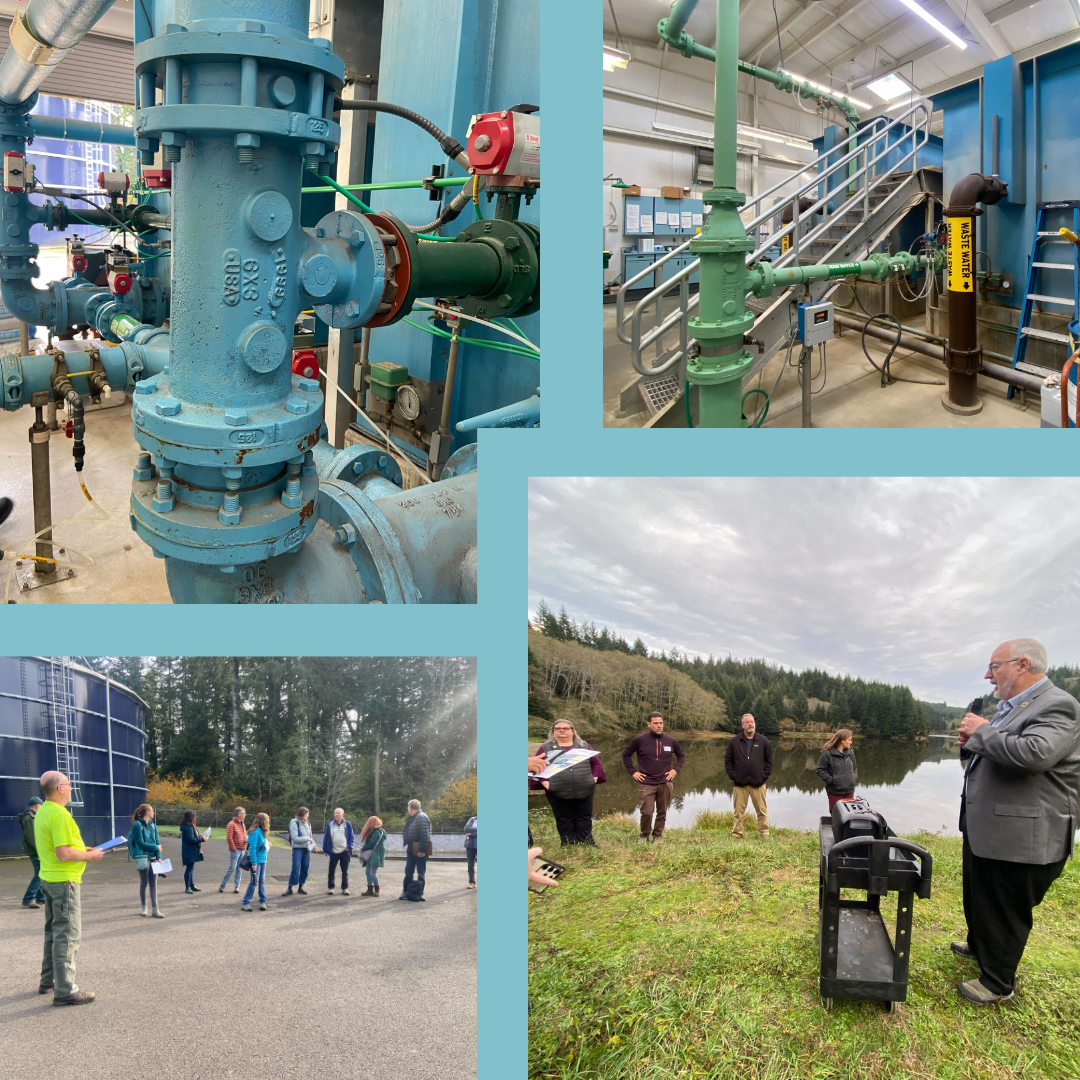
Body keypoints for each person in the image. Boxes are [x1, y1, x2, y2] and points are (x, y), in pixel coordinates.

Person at [953, 638, 1080, 1004]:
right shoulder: (1014, 707)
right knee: (983, 895)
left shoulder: (1059, 705)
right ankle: (980, 946)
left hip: (1024, 834)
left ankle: (997, 983)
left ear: (1022, 665)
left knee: (1006, 907)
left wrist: (982, 731)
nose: (987, 675)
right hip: (994, 828)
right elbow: (1000, 750)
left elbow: (1035, 754)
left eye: (994, 667)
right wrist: (973, 739)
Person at [34, 770, 104, 1005]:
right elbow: (63, 853)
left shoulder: (43, 811)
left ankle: (48, 980)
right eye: (69, 783)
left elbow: (62, 847)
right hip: (65, 882)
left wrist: (85, 850)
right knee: (67, 935)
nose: (72, 786)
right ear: (60, 788)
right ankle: (65, 991)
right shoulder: (60, 815)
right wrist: (91, 856)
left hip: (49, 878)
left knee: (52, 932)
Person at [531, 720, 607, 846]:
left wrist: (593, 779)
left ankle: (587, 842)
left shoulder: (584, 746)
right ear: (553, 731)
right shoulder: (546, 748)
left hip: (585, 788)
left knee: (584, 817)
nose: (562, 731)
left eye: (565, 728)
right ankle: (568, 844)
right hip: (557, 789)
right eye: (558, 728)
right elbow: (536, 766)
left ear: (572, 730)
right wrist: (545, 783)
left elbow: (596, 763)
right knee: (563, 818)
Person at [621, 712, 685, 842]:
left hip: (665, 782)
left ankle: (657, 836)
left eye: (661, 723)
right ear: (649, 724)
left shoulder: (670, 740)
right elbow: (626, 754)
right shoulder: (639, 740)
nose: (659, 726)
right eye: (655, 723)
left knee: (662, 811)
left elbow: (681, 755)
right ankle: (644, 835)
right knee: (647, 812)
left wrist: (675, 770)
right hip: (647, 783)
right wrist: (633, 772)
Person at [724, 713, 772, 839]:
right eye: (747, 722)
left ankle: (764, 833)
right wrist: (733, 776)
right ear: (742, 725)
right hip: (740, 783)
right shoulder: (735, 741)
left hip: (758, 783)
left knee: (762, 811)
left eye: (752, 721)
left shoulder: (763, 741)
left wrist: (764, 776)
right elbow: (728, 760)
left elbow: (769, 761)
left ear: (754, 723)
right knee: (738, 812)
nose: (750, 724)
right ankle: (737, 833)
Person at [128, 803, 164, 918]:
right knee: (144, 883)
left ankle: (155, 909)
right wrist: (155, 848)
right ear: (147, 812)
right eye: (152, 810)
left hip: (153, 858)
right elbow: (140, 843)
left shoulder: (153, 826)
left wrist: (159, 857)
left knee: (154, 884)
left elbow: (158, 842)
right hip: (143, 858)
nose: (154, 812)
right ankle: (144, 907)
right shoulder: (137, 825)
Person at [816, 729, 858, 811]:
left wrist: (853, 778)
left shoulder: (850, 753)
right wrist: (832, 780)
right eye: (849, 740)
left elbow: (854, 768)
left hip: (850, 791)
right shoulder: (827, 754)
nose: (851, 742)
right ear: (842, 740)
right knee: (836, 816)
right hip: (835, 792)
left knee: (849, 815)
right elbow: (820, 770)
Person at [400, 799, 432, 900]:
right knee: (408, 871)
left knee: (420, 872)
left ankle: (420, 893)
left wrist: (422, 850)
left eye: (408, 808)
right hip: (412, 846)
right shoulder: (413, 818)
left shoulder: (421, 817)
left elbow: (425, 835)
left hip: (420, 848)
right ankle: (405, 891)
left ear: (410, 808)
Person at [322, 807, 355, 896]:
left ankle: (345, 888)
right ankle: (331, 888)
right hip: (333, 851)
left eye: (338, 813)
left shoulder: (347, 824)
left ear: (342, 815)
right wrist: (325, 849)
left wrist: (349, 847)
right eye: (335, 813)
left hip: (344, 851)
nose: (336, 815)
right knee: (331, 870)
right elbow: (326, 837)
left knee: (345, 871)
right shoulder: (330, 824)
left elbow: (351, 837)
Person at [242, 812, 271, 912]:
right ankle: (246, 902)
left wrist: (268, 845)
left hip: (263, 860)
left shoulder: (263, 832)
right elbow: (253, 849)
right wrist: (254, 863)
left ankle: (263, 901)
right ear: (264, 821)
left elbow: (262, 845)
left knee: (261, 882)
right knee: (254, 882)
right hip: (256, 862)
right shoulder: (255, 832)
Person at [19, 795, 44, 909]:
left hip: (36, 850)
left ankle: (40, 898)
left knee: (41, 873)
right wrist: (40, 852)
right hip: (35, 851)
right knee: (39, 874)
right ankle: (28, 899)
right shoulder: (29, 818)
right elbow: (31, 838)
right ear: (38, 805)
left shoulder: (33, 816)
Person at [283, 807, 313, 897]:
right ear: (303, 814)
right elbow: (295, 838)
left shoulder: (308, 823)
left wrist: (313, 846)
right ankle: (290, 888)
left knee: (305, 867)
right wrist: (307, 839)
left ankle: (301, 887)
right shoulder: (294, 823)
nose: (308, 815)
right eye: (307, 813)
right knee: (295, 867)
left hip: (306, 849)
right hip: (297, 848)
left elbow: (310, 837)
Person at [219, 807, 247, 894]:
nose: (245, 815)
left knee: (239, 869)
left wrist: (245, 841)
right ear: (239, 814)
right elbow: (229, 838)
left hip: (242, 849)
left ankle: (237, 886)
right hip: (236, 850)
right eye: (244, 813)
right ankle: (223, 885)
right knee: (232, 867)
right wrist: (234, 848)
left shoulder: (242, 824)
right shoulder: (231, 824)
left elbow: (243, 836)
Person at [179, 809, 206, 894]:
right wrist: (201, 839)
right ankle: (188, 886)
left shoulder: (189, 826)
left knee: (191, 868)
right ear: (191, 817)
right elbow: (191, 839)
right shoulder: (188, 827)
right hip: (189, 850)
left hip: (191, 850)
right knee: (189, 869)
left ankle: (191, 885)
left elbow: (193, 837)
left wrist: (199, 835)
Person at [359, 816, 387, 896]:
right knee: (368, 872)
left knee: (372, 872)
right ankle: (370, 889)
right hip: (374, 853)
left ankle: (377, 890)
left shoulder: (376, 832)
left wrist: (363, 848)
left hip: (375, 853)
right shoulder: (377, 831)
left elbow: (371, 844)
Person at [464, 814, 477, 889]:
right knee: (470, 865)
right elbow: (466, 829)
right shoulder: (472, 819)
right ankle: (471, 882)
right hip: (470, 846)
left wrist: (471, 834)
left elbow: (469, 831)